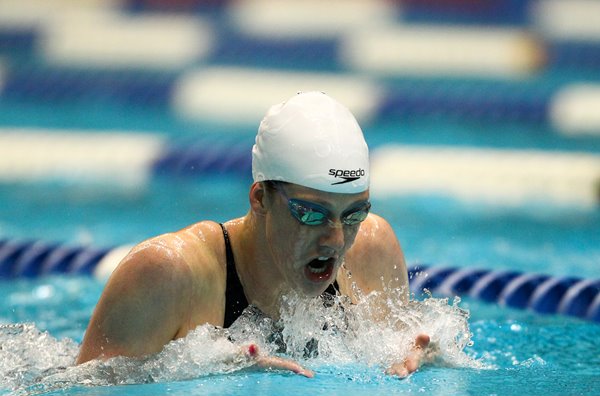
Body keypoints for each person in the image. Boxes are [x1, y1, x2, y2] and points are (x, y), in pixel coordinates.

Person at [76, 91, 430, 378]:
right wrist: (194, 373)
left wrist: (427, 358)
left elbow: (399, 358)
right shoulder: (168, 274)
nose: (337, 240)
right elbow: (84, 390)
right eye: (311, 214)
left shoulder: (372, 247)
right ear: (260, 198)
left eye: (353, 214)